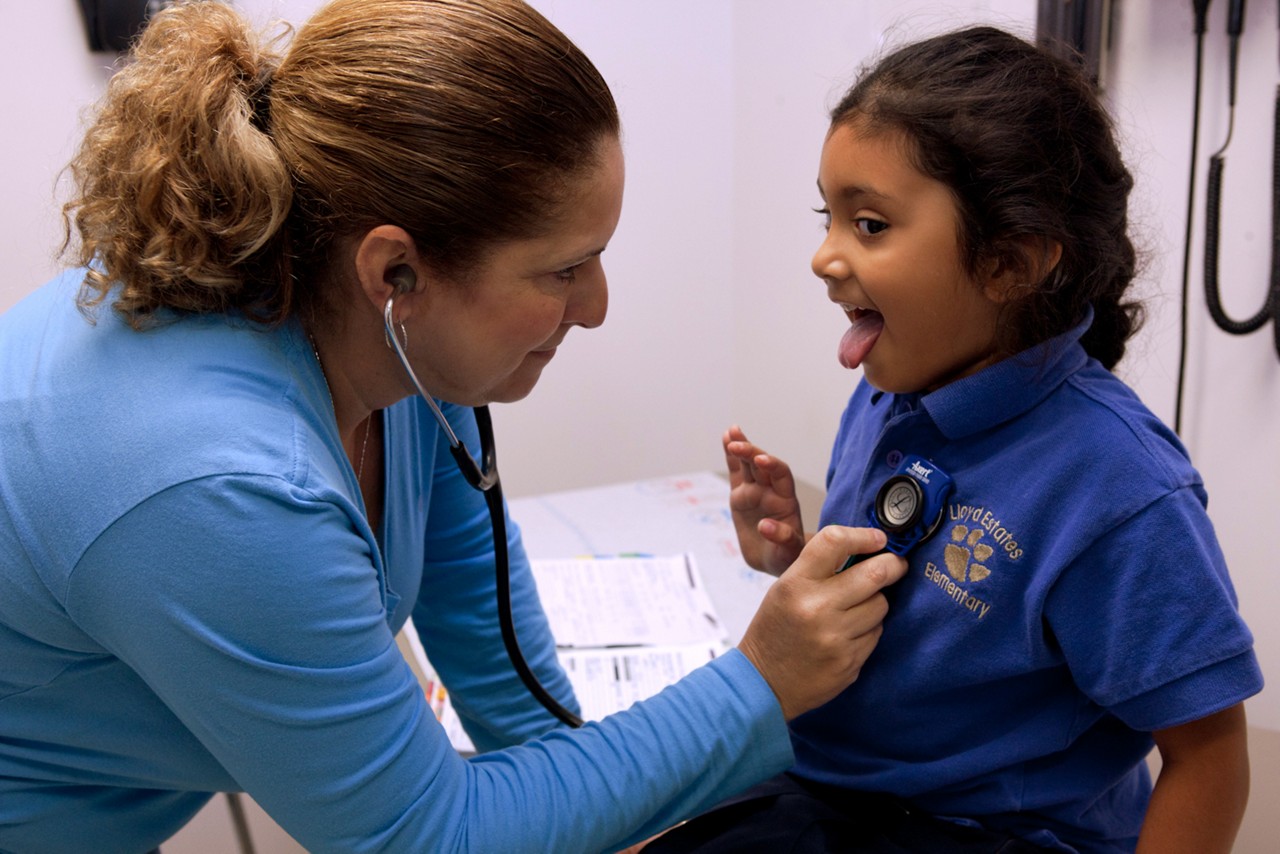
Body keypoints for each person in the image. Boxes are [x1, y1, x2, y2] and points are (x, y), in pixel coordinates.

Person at [0, 2, 908, 852]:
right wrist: (759, 683)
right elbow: (423, 838)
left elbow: (497, 660)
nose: (596, 308)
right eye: (564, 270)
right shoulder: (221, 486)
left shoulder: (381, 343)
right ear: (396, 271)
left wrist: (619, 812)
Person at [645, 25, 1264, 854]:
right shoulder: (892, 389)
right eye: (825, 216)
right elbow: (916, 609)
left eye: (868, 225)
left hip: (986, 828)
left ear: (1010, 265)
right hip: (836, 781)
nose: (824, 258)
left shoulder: (1119, 487)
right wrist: (794, 560)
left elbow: (1210, 756)